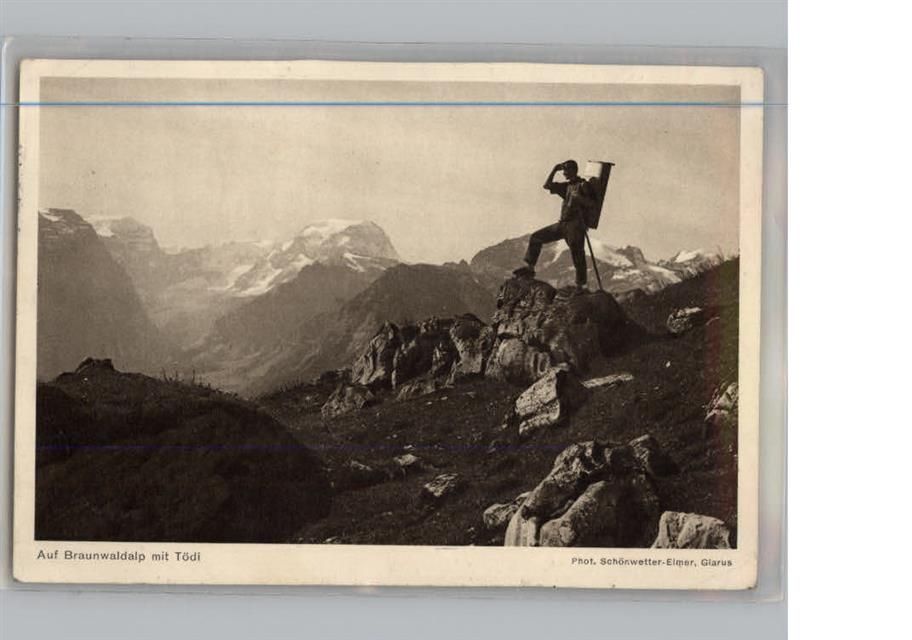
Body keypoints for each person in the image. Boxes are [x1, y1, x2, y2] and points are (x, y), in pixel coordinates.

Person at [513, 160, 597, 293]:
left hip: (575, 225)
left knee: (577, 253)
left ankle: (580, 286)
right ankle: (530, 268)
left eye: (566, 170)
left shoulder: (583, 185)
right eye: (563, 171)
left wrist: (579, 199)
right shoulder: (567, 186)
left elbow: (593, 204)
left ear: (573, 170)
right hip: (563, 224)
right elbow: (547, 185)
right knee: (536, 237)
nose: (564, 173)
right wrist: (554, 169)